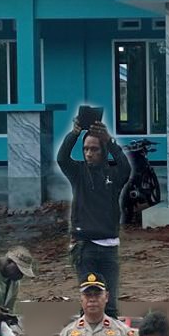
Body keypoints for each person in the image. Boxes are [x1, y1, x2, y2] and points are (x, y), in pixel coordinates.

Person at [58, 117, 131, 319]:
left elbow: (126, 168)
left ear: (103, 151)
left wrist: (109, 140)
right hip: (85, 247)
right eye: (86, 149)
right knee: (90, 303)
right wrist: (75, 133)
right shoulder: (78, 172)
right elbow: (62, 158)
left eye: (95, 149)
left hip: (109, 248)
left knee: (110, 304)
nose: (89, 153)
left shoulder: (113, 174)